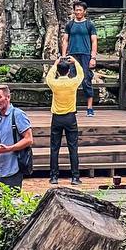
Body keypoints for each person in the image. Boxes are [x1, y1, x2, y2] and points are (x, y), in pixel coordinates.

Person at [0, 84, 33, 189]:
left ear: (8, 97)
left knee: (10, 203)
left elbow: (29, 139)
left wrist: (9, 148)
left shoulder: (18, 114)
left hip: (11, 171)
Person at [45, 55, 82, 185]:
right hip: (70, 117)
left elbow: (48, 77)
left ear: (58, 71)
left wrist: (55, 64)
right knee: (73, 147)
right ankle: (75, 177)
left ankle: (54, 177)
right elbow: (81, 74)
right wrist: (75, 62)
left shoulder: (54, 84)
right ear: (68, 71)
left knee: (55, 148)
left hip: (57, 117)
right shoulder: (72, 83)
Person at [61, 0, 98, 116]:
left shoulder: (89, 25)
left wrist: (93, 57)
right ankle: (72, 107)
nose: (77, 12)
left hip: (85, 55)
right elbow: (65, 40)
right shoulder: (70, 25)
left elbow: (94, 41)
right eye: (76, 10)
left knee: (86, 80)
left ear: (84, 11)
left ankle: (90, 108)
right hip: (72, 55)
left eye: (80, 10)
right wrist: (63, 55)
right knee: (71, 81)